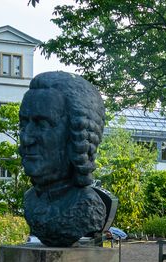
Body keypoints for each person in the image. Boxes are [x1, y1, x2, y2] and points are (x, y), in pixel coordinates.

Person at [19, 71, 113, 247]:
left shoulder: (88, 206)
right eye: (24, 124)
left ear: (77, 135)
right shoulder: (30, 200)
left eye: (42, 124)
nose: (26, 138)